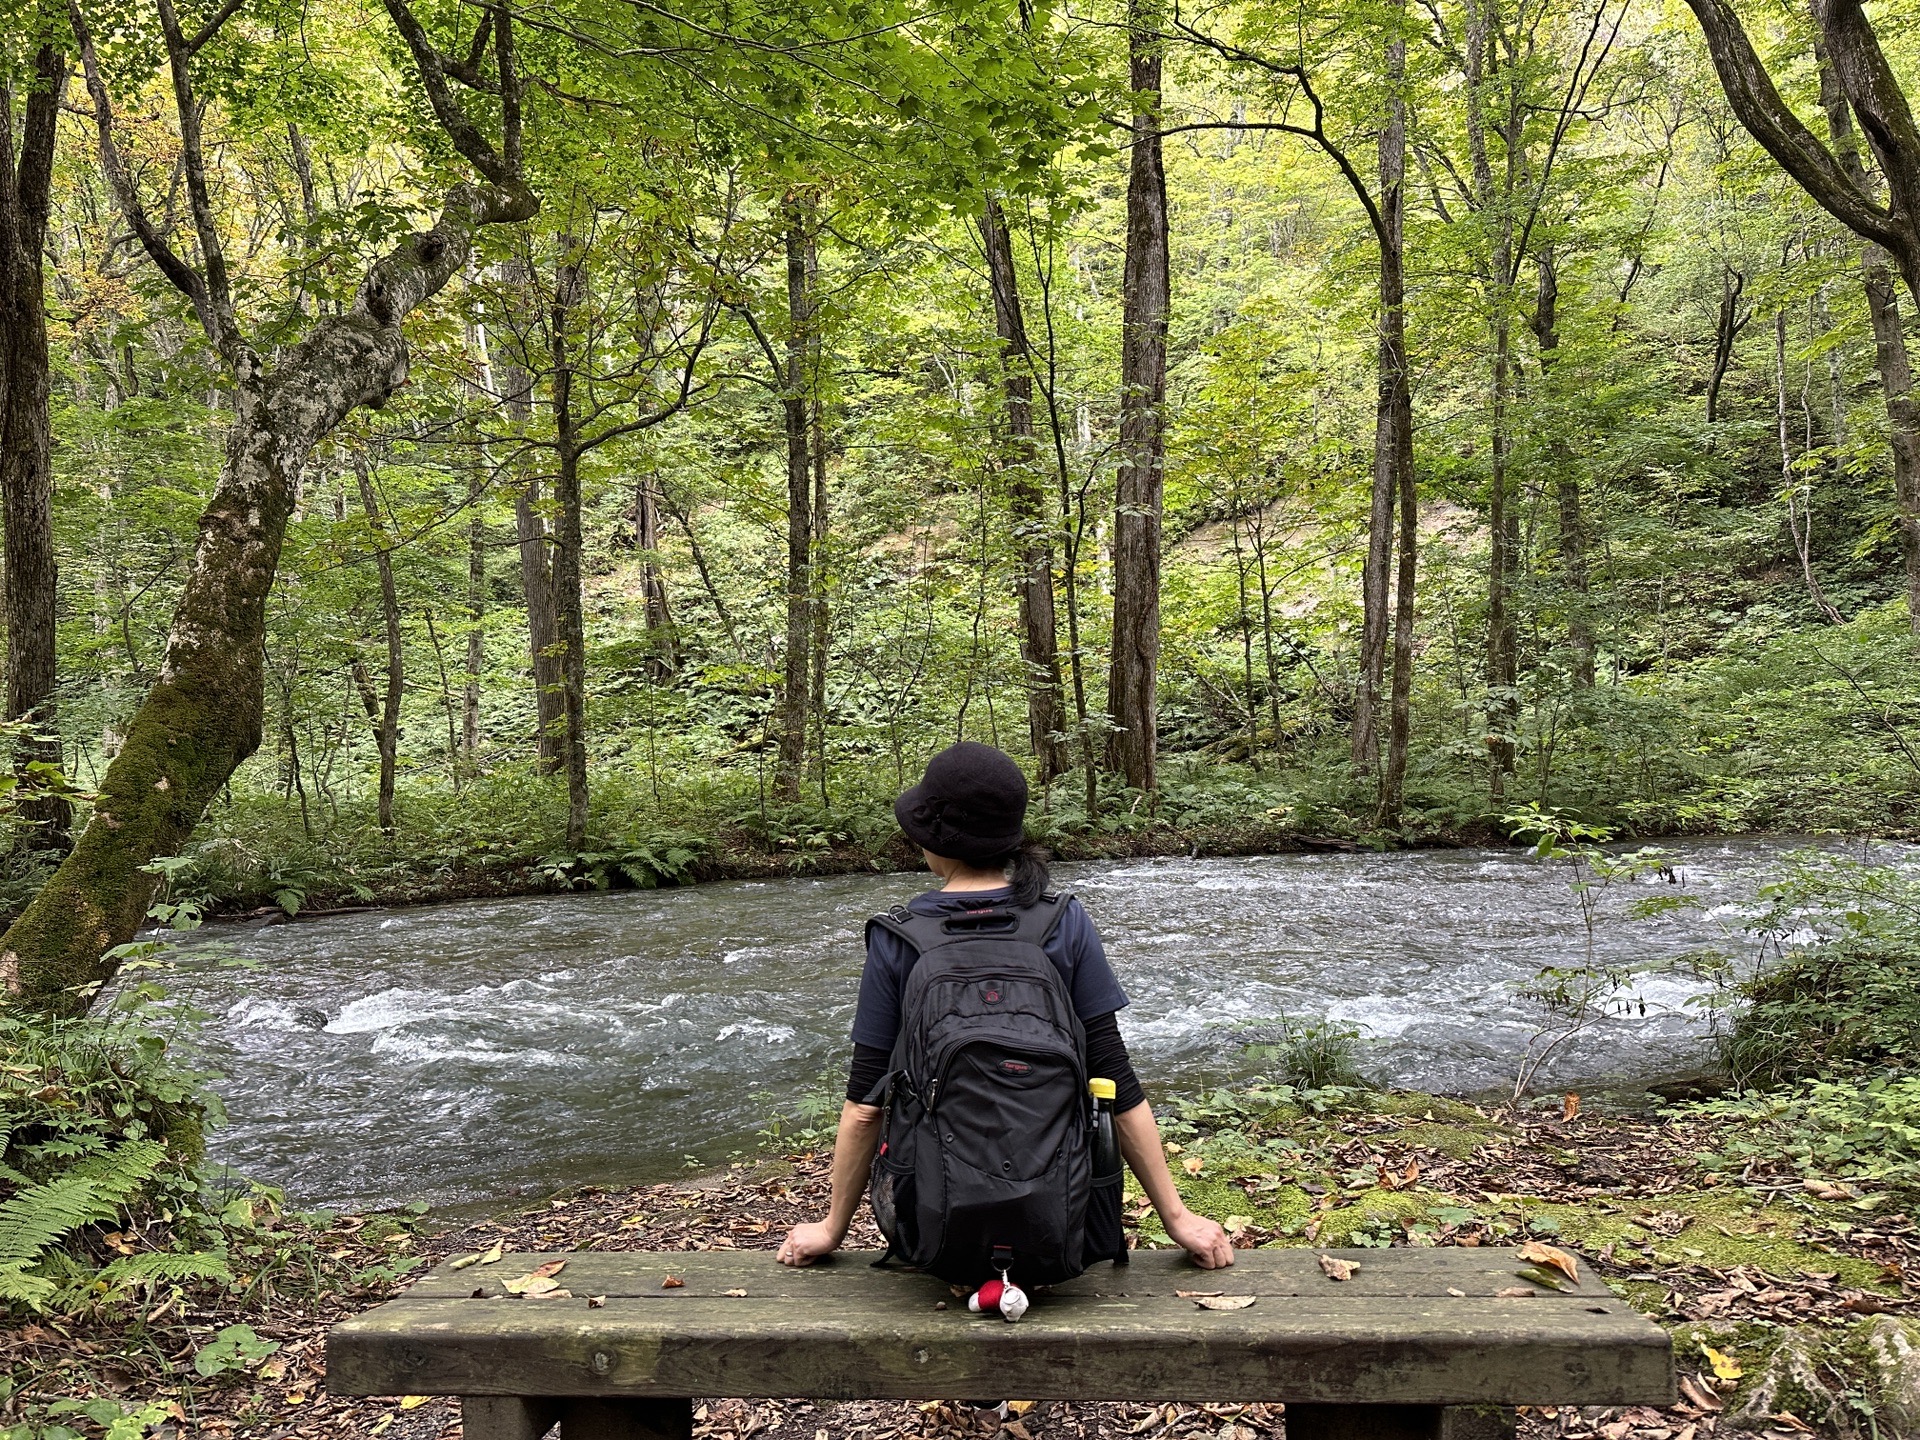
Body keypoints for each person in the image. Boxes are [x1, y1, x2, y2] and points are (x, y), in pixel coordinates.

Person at [777, 741, 1233, 1271]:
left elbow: (865, 1105)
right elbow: (1114, 1077)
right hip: (1062, 1225)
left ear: (937, 839)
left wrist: (832, 1228)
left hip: (933, 1234)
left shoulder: (898, 938)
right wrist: (1178, 1218)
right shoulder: (1064, 923)